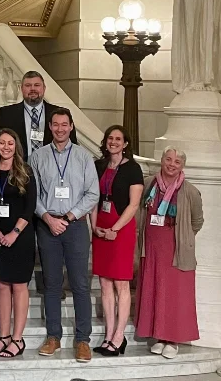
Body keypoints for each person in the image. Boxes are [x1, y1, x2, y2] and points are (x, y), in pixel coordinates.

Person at [32, 108, 99, 363]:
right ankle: (53, 337)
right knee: (51, 285)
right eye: (56, 124)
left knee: (80, 284)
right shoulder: (38, 156)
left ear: (72, 127)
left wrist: (68, 218)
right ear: (50, 127)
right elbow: (33, 195)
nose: (60, 129)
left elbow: (92, 194)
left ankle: (83, 340)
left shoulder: (83, 157)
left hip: (75, 226)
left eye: (65, 125)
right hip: (48, 226)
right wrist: (49, 219)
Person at [136, 147, 204, 360]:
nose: (171, 164)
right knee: (155, 292)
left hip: (176, 253)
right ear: (162, 161)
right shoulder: (149, 184)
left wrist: (183, 237)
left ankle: (172, 340)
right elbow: (140, 211)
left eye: (176, 162)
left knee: (174, 296)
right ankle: (158, 336)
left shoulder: (190, 191)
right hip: (152, 250)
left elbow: (197, 221)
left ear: (182, 166)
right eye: (168, 159)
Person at [91, 125, 144, 356]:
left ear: (125, 144)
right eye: (110, 138)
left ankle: (120, 336)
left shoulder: (133, 168)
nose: (113, 142)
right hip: (100, 226)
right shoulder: (99, 165)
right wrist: (93, 226)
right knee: (104, 283)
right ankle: (108, 335)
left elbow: (134, 205)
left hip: (120, 228)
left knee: (121, 283)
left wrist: (114, 228)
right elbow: (93, 197)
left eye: (118, 139)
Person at [0, 128, 37, 358]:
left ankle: (17, 338)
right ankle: (3, 336)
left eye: (10, 143)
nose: (5, 147)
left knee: (19, 286)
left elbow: (30, 207)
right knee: (1, 286)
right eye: (1, 143)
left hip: (20, 238)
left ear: (16, 146)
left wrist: (14, 233)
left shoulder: (25, 172)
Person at [0, 71, 72, 158]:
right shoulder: (6, 113)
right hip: (18, 169)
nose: (32, 89)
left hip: (51, 168)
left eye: (37, 85)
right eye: (28, 85)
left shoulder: (60, 114)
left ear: (44, 88)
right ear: (21, 88)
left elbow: (71, 145)